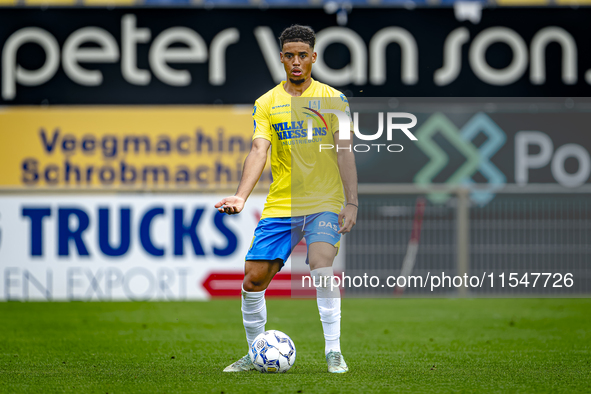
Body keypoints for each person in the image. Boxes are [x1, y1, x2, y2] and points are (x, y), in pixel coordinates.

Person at [215, 24, 358, 374]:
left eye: (302, 56)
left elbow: (344, 152)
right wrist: (241, 195)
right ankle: (255, 352)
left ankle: (333, 352)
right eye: (289, 56)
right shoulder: (266, 103)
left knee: (322, 264)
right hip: (283, 204)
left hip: (325, 199)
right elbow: (258, 150)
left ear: (313, 57)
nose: (296, 62)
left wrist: (351, 201)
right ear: (281, 58)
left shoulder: (334, 100)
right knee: (252, 280)